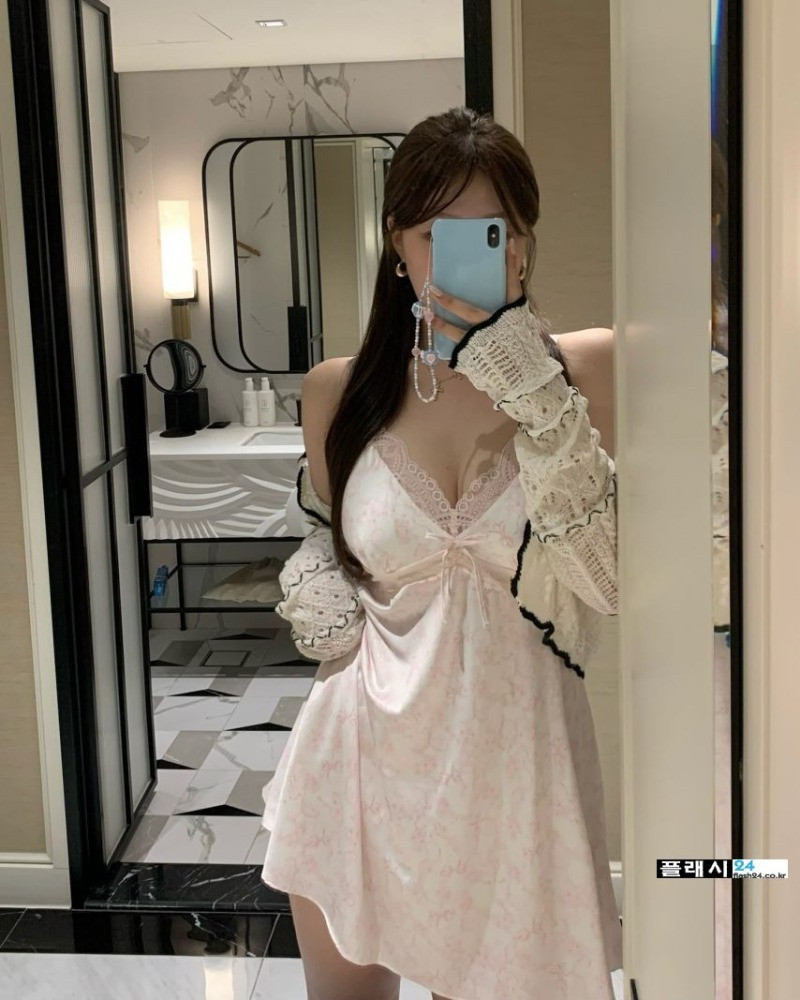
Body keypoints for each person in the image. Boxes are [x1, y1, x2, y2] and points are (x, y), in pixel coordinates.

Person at [260, 107, 622, 1000]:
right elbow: (340, 542)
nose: (472, 256)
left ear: (526, 242)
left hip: (522, 778)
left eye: (496, 231)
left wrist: (531, 388)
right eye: (436, 235)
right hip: (359, 767)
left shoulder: (589, 373)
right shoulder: (338, 392)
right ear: (397, 245)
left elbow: (610, 582)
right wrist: (319, 582)